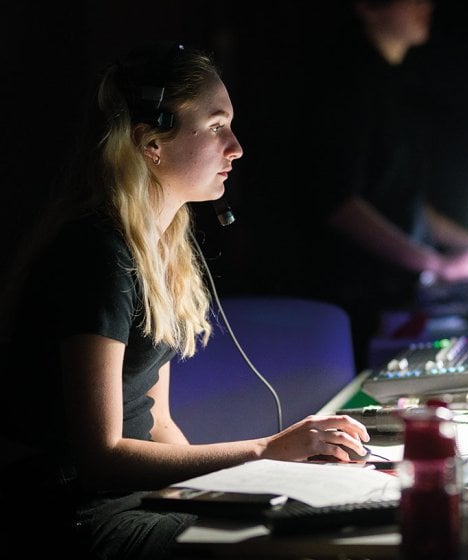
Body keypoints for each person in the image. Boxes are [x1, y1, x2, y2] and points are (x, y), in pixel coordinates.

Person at [0, 41, 370, 559]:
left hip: (132, 501)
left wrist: (244, 490)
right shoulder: (98, 254)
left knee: (321, 523)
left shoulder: (159, 248)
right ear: (151, 143)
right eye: (217, 126)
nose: (236, 146)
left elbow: (158, 424)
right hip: (77, 517)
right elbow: (100, 458)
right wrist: (265, 451)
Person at [223, 0, 468, 370]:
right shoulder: (346, 84)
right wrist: (438, 265)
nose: (425, 5)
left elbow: (401, 197)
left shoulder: (394, 80)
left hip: (390, 293)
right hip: (349, 301)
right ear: (368, 8)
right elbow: (337, 202)